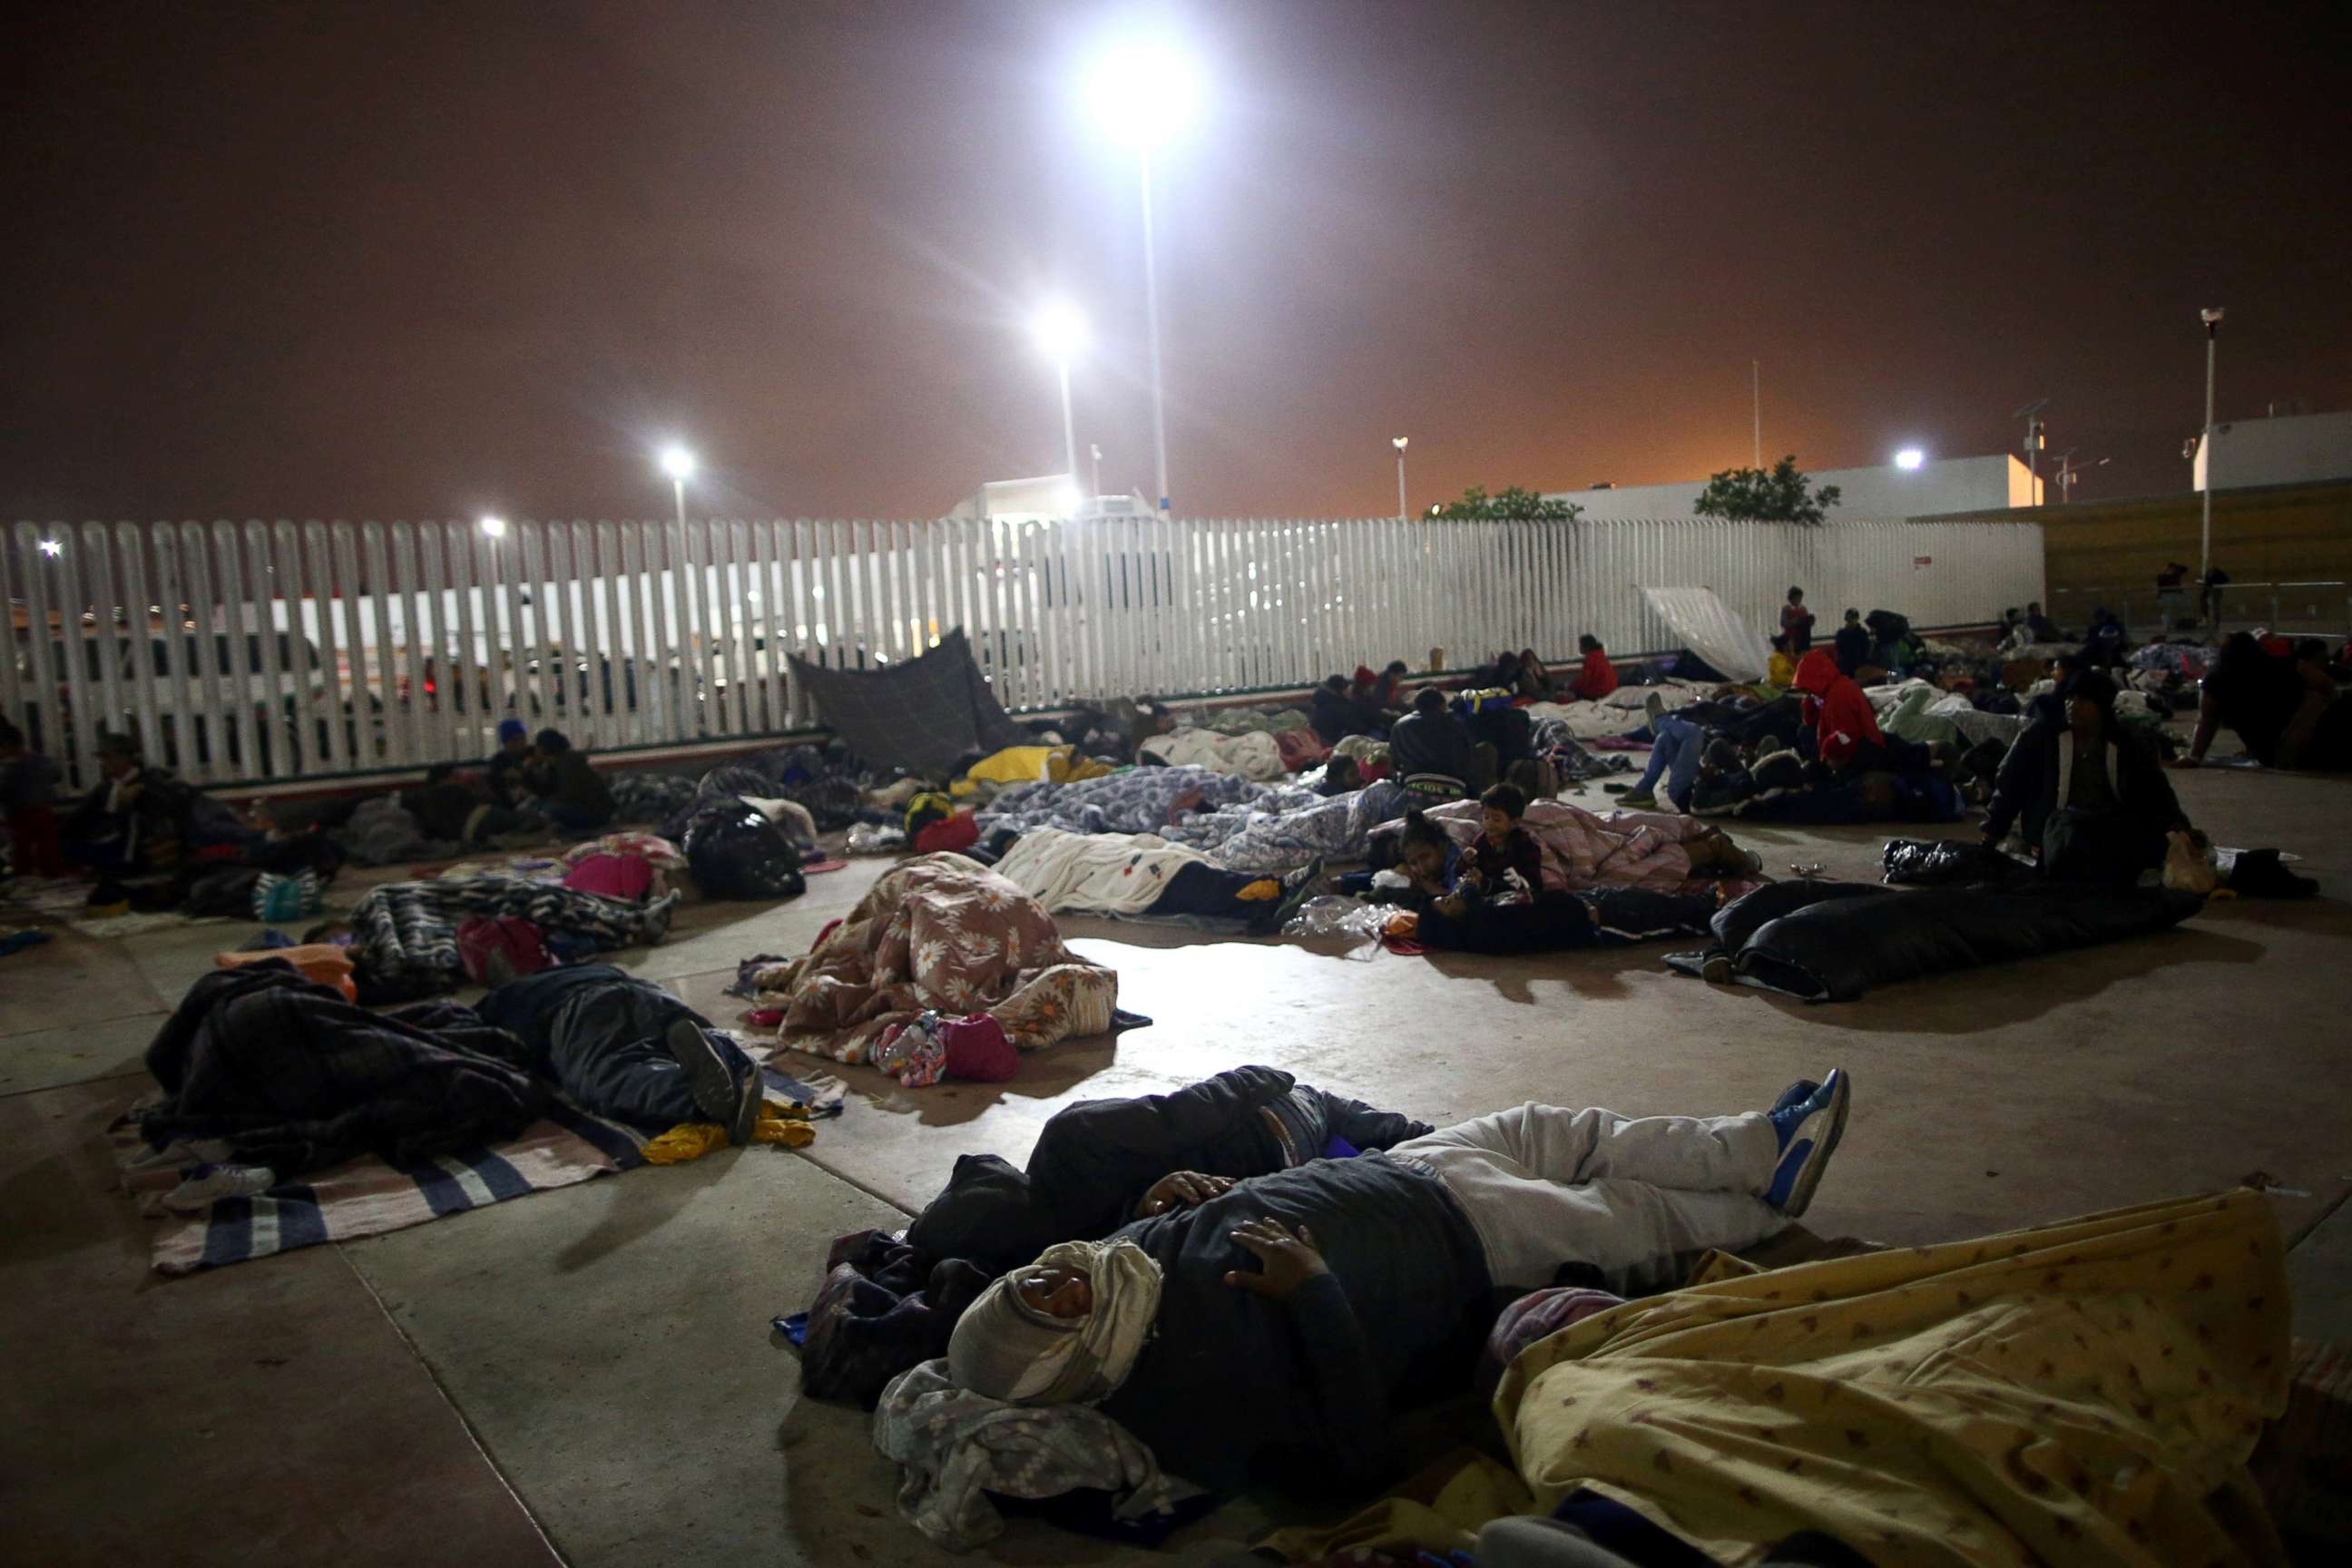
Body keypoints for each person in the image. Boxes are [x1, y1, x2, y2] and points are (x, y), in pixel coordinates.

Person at [944, 1073, 1854, 1495]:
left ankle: (1757, 1147)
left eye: (1031, 1280)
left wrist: (1194, 1195)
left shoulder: (1116, 1261)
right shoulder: (1187, 1399)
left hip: (1409, 1168)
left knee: (1559, 1128)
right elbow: (1356, 1462)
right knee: (1636, 1221)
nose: (1058, 1278)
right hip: (1462, 1244)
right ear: (1063, 1365)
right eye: (1047, 1305)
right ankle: (1764, 1212)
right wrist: (1311, 1292)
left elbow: (1210, 1219)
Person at [907, 1066, 1435, 1272]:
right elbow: (1183, 1113)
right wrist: (1265, 1076)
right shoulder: (1071, 1142)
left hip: (1279, 1184)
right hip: (1279, 1130)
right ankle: (1418, 1139)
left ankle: (1414, 1144)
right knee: (1323, 1105)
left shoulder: (1071, 1255)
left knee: (1366, 1144)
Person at [474, 964, 765, 1142]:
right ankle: (734, 1064)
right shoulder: (572, 968)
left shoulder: (495, 1003)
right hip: (646, 992)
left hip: (582, 1011)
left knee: (611, 1072)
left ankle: (692, 1095)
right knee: (690, 1040)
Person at [1982, 669, 2190, 882]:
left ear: (2102, 707)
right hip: (2055, 830)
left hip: (2110, 826)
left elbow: (2157, 791)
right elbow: (2010, 786)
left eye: (2083, 701)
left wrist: (2180, 828)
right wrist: (1992, 834)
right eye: (2070, 699)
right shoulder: (2040, 738)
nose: (2073, 706)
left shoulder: (2128, 743)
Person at [2175, 631, 2352, 772]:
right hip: (2307, 744)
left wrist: (2194, 757)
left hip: (2275, 754)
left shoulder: (2216, 682)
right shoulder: (2287, 665)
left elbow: (2206, 722)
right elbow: (2327, 686)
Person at [63, 731, 197, 873]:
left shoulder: (149, 783)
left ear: (125, 757)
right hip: (109, 845)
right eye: (102, 758)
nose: (104, 763)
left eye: (108, 757)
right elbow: (79, 817)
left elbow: (168, 815)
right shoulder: (105, 788)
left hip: (140, 851)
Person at [400, 762, 536, 847]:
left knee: (520, 818)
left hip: (476, 823)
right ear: (443, 780)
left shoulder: (425, 796)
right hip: (476, 823)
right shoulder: (447, 791)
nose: (459, 779)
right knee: (523, 819)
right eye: (455, 776)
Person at [1, 717, 69, 878]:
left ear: (8, 746)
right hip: (43, 813)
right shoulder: (41, 760)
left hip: (20, 817)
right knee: (48, 854)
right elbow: (56, 775)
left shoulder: (10, 769)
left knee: (22, 856)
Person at [1386, 687, 1481, 801]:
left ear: (1416, 706)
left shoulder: (1400, 726)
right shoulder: (1456, 725)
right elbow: (1469, 758)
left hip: (1412, 786)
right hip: (1454, 787)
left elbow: (1395, 761)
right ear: (1441, 705)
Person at [526, 728, 615, 833]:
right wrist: (529, 773)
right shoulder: (554, 764)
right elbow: (545, 791)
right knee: (537, 805)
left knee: (549, 809)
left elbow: (569, 795)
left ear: (543, 748)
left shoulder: (568, 762)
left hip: (594, 812)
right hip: (583, 807)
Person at [1309, 675, 1385, 746]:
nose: (1349, 691)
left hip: (1322, 742)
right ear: (1341, 690)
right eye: (1347, 689)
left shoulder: (1321, 703)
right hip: (1336, 744)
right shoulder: (1339, 706)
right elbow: (1356, 727)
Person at [485, 717, 535, 808]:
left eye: (523, 738)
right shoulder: (499, 760)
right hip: (510, 805)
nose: (521, 742)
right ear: (506, 742)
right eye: (515, 739)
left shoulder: (533, 752)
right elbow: (512, 776)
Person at [1567, 634, 1617, 701]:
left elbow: (1585, 681)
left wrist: (1570, 685)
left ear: (1587, 647)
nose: (1579, 648)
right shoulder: (1600, 656)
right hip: (1611, 690)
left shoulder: (1590, 660)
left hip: (1599, 692)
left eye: (1580, 646)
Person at [1834, 609, 1872, 677]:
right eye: (1849, 619)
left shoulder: (1862, 633)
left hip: (1858, 664)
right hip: (1847, 664)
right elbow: (1839, 648)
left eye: (1853, 618)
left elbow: (1866, 648)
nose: (1851, 621)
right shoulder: (1842, 633)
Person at [1779, 586, 1815, 654]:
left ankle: (1804, 650)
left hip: (1803, 635)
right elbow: (1783, 623)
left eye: (1800, 598)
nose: (1798, 600)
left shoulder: (1803, 608)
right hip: (1791, 636)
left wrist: (1811, 621)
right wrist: (1795, 621)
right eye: (1796, 598)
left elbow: (1807, 623)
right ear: (1790, 599)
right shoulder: (1786, 609)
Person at [2156, 562, 2190, 631]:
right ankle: (2166, 626)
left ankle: (2174, 625)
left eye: (2173, 568)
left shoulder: (2176, 575)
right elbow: (2161, 585)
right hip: (2165, 595)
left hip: (2175, 595)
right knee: (2166, 611)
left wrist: (2176, 566)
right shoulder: (2161, 576)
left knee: (2175, 610)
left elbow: (2185, 569)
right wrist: (2166, 570)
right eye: (2171, 568)